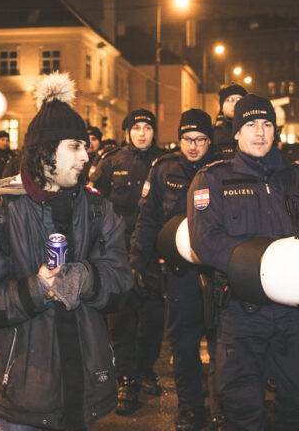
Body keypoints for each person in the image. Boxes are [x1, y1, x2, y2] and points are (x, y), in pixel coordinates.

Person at [0, 73, 133, 431]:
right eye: (75, 146)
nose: (87, 155)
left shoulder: (100, 210)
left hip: (83, 384)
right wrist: (37, 289)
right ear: (44, 152)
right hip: (24, 391)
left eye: (86, 146)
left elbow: (122, 282)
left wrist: (86, 279)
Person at [188, 94, 299, 430]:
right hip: (242, 313)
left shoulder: (292, 177)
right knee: (243, 409)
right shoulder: (212, 179)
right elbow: (205, 243)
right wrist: (264, 268)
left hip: (292, 315)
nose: (260, 132)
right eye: (250, 124)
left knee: (294, 404)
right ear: (236, 132)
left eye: (266, 124)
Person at [131, 109, 224, 431]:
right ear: (179, 139)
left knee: (220, 344)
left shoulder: (222, 171)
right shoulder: (164, 169)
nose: (193, 146)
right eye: (187, 139)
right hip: (179, 274)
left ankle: (220, 408)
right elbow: (148, 220)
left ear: (209, 140)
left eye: (200, 139)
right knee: (183, 345)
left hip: (216, 273)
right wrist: (135, 263)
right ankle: (190, 408)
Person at [90, 109, 166, 415]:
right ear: (127, 132)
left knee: (153, 320)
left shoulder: (164, 163)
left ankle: (146, 369)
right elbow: (93, 201)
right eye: (137, 128)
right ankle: (125, 378)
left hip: (153, 253)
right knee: (121, 319)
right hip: (119, 254)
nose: (143, 133)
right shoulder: (111, 162)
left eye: (148, 128)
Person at [212, 84, 247, 160]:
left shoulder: (256, 131)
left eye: (239, 100)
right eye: (230, 100)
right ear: (222, 107)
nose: (235, 104)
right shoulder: (212, 134)